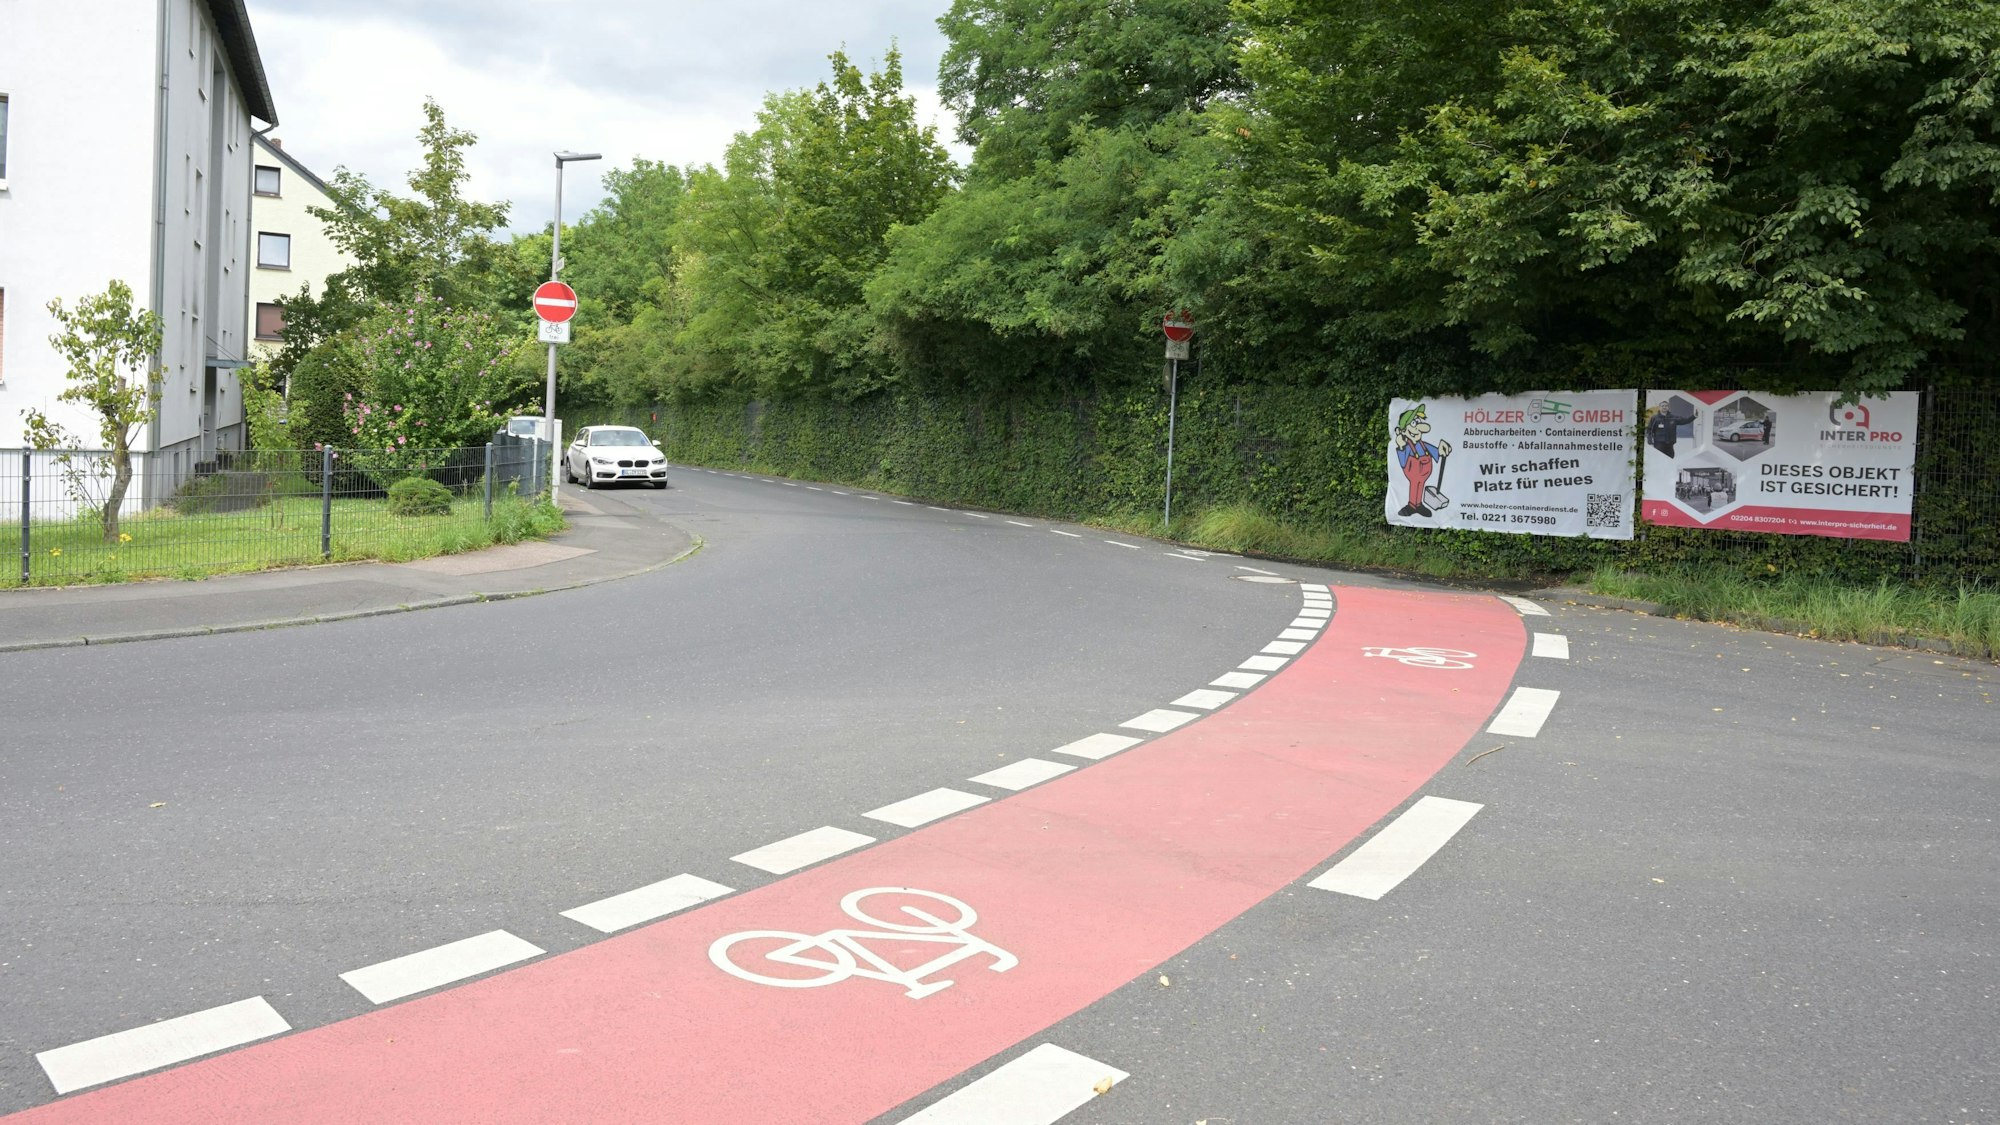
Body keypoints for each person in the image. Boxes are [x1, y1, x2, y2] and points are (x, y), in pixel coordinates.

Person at [1393, 404, 1449, 517]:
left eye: (1419, 422)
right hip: (1413, 470)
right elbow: (1403, 460)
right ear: (1404, 431)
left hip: (1424, 472)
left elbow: (1435, 451)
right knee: (1414, 485)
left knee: (1421, 485)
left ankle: (1418, 505)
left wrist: (1441, 449)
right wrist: (1401, 446)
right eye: (1414, 423)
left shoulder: (1423, 444)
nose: (1418, 428)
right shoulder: (1407, 445)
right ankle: (1412, 506)